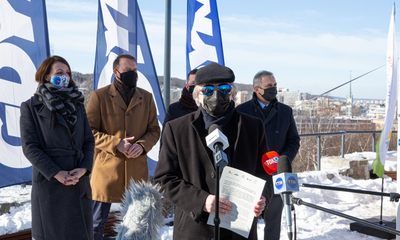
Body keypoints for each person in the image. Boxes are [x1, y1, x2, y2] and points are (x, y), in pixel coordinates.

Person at [154, 62, 273, 240]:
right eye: (208, 90)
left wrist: (263, 197)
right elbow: (164, 179)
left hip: (239, 231)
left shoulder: (253, 126)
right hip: (195, 230)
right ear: (197, 95)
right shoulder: (177, 129)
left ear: (232, 93)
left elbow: (266, 172)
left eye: (224, 88)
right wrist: (202, 201)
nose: (216, 95)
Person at [86, 54, 161, 240]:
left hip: (137, 171)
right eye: (128, 71)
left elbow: (154, 130)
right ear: (116, 72)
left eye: (135, 71)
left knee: (138, 224)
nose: (133, 74)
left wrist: (142, 146)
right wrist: (116, 143)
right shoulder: (99, 96)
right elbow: (89, 131)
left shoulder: (147, 97)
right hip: (106, 172)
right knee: (96, 223)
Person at [20, 56, 95, 240]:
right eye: (59, 73)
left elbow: (88, 141)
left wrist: (84, 169)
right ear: (45, 76)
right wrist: (56, 172)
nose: (65, 77)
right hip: (50, 185)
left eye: (67, 73)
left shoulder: (77, 104)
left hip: (78, 183)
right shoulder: (30, 107)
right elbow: (30, 147)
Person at [236, 70, 300, 240]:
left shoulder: (286, 111)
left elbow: (293, 141)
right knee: (248, 222)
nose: (274, 89)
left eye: (275, 85)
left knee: (273, 223)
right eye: (269, 86)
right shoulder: (241, 111)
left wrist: (281, 161)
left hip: (276, 175)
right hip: (250, 175)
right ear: (257, 89)